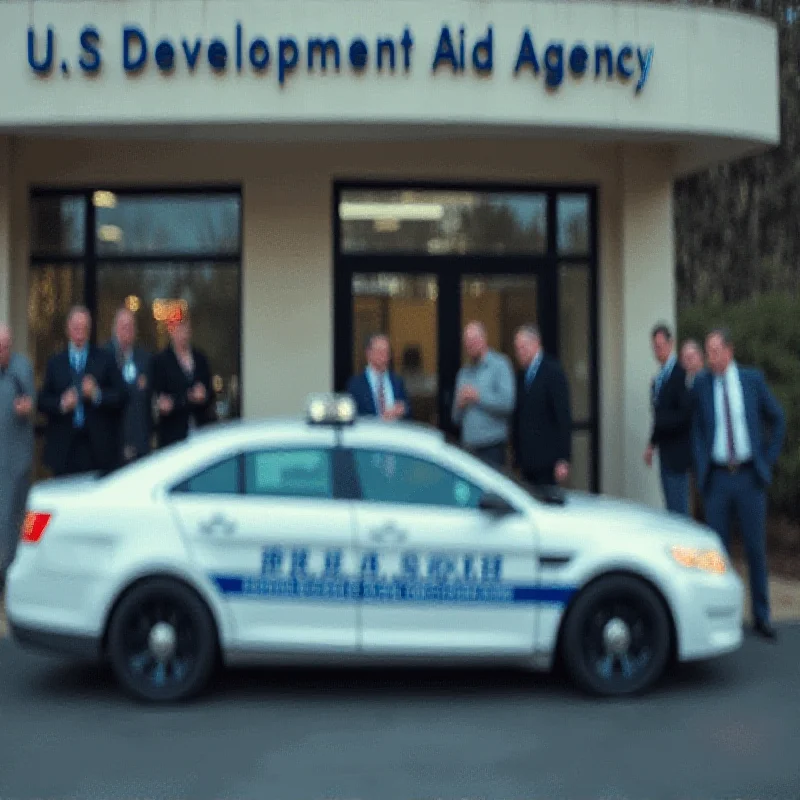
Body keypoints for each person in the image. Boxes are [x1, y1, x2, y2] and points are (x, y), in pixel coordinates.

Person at [692, 327, 785, 640]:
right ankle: (721, 618)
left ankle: (762, 616)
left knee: (755, 549)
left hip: (748, 477)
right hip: (717, 479)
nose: (710, 357)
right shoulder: (703, 384)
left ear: (729, 351)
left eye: (715, 351)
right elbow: (696, 428)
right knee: (717, 552)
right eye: (707, 351)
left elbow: (778, 417)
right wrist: (702, 464)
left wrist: (766, 459)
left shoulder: (751, 380)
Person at [37, 306, 127, 476]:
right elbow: (42, 401)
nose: (80, 332)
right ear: (68, 329)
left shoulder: (104, 358)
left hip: (97, 449)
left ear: (89, 330)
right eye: (76, 327)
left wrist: (96, 395)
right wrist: (62, 403)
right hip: (64, 449)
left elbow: (122, 396)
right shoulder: (55, 362)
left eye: (84, 327)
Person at [511, 325, 572, 486]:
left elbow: (563, 416)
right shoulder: (521, 375)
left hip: (548, 460)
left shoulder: (552, 371)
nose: (519, 353)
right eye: (517, 349)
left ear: (536, 344)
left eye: (523, 347)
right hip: (527, 460)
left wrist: (563, 458)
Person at [0, 324, 35, 592]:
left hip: (16, 460)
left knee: (14, 518)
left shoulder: (22, 368)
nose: (4, 351)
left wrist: (27, 408)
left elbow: (32, 401)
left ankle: (11, 575)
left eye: (7, 346)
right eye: (0, 347)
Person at [452, 321, 515, 469]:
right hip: (468, 448)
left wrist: (478, 396)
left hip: (492, 447)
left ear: (484, 339)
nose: (470, 345)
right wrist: (460, 405)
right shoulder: (463, 372)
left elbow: (507, 404)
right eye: (467, 342)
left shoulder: (500, 365)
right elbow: (455, 418)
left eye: (473, 340)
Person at [643, 324, 693, 515]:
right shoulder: (659, 378)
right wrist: (651, 444)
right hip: (665, 451)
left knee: (679, 507)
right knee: (670, 505)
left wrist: (663, 422)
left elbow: (684, 414)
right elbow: (658, 414)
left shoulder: (680, 373)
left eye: (661, 345)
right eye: (655, 346)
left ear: (671, 344)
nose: (658, 351)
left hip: (678, 452)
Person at [151, 315, 215, 448]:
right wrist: (189, 397)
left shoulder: (200, 358)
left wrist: (204, 395)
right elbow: (162, 401)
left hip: (201, 430)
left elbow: (210, 393)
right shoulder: (161, 361)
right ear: (171, 331)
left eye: (185, 329)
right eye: (178, 330)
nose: (182, 334)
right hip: (173, 434)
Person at [105, 307, 153, 464]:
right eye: (123, 326)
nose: (128, 330)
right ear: (115, 329)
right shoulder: (103, 356)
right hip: (112, 443)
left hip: (140, 443)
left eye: (131, 326)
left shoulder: (144, 358)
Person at [347, 334, 410, 419]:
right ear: (369, 353)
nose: (384, 356)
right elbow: (352, 415)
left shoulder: (397, 382)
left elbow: (408, 411)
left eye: (387, 352)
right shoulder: (356, 385)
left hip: (395, 430)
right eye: (380, 352)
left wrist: (402, 410)